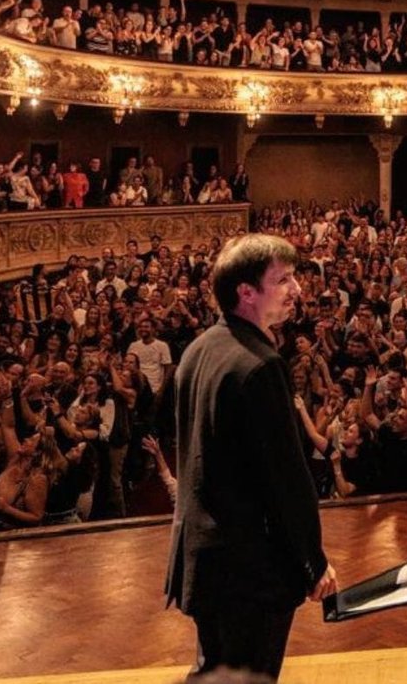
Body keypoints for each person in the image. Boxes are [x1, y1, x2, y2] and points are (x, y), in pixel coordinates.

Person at [165, 234, 338, 681]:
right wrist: (312, 561)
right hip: (248, 569)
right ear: (247, 292)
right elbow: (285, 477)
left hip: (204, 559)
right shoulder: (260, 365)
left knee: (212, 673)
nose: (297, 289)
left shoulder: (198, 351)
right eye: (283, 280)